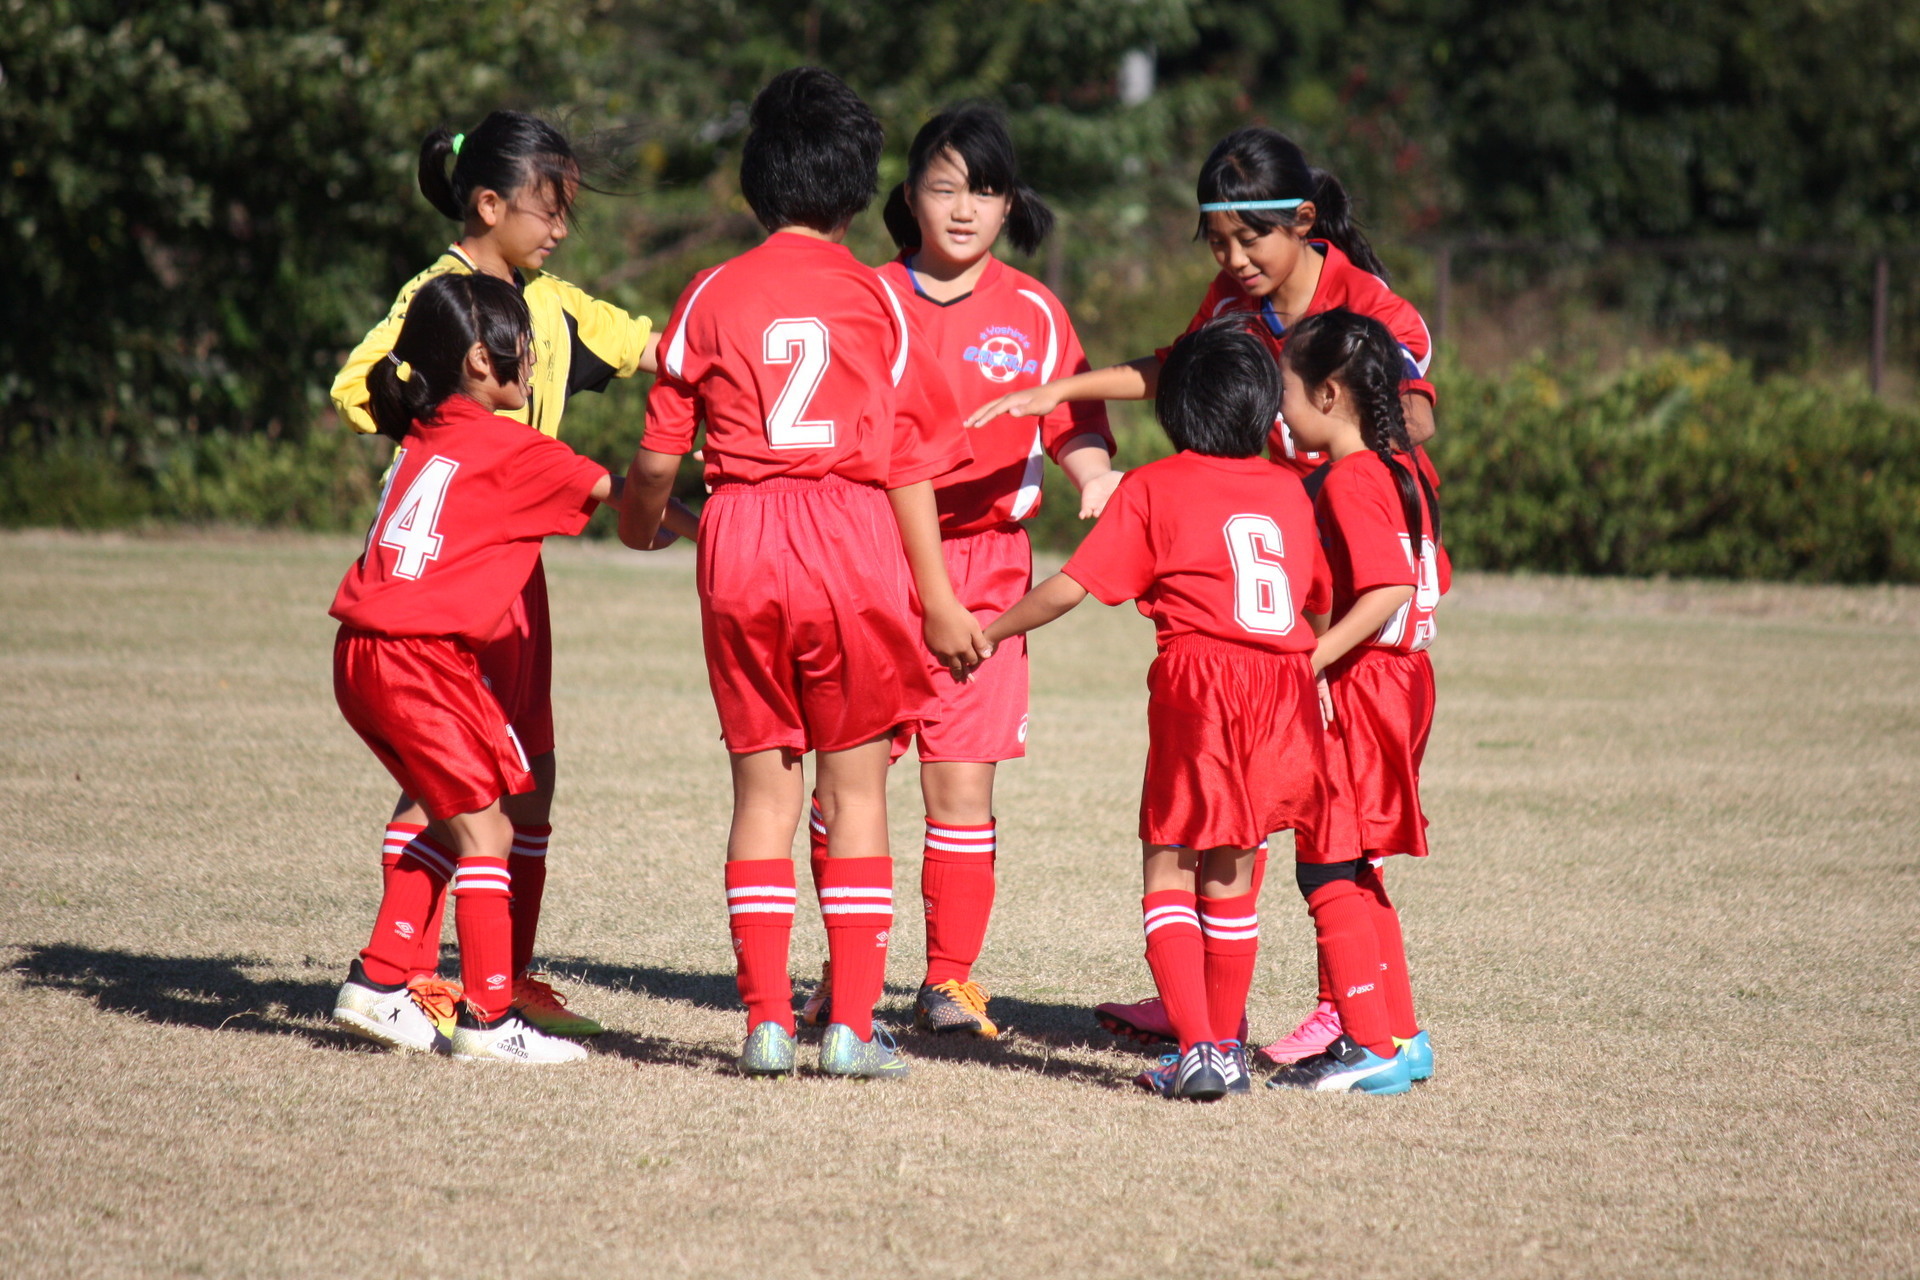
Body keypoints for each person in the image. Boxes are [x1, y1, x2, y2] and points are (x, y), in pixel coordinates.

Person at [971, 125, 1439, 1052]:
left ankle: (1345, 1011)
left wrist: (1329, 467)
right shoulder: (1236, 296)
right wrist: (1056, 389)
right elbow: (1176, 368)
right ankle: (1207, 1006)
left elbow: (1413, 416)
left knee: (1329, 825)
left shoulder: (1373, 309)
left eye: (1248, 241)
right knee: (1248, 805)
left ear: (1303, 223)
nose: (1231, 261)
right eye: (1217, 243)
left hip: (1344, 594)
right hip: (1275, 582)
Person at [617, 68, 985, 1080]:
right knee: (855, 791)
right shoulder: (881, 296)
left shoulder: (709, 293)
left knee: (761, 795)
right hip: (852, 538)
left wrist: (649, 524)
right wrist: (941, 597)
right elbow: (908, 459)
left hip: (739, 534)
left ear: (753, 183)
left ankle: (767, 1022)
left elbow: (655, 462)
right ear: (865, 189)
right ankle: (853, 1027)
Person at [330, 110, 695, 1041]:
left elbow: (658, 347)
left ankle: (502, 972)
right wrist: (454, 451)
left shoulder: (555, 300)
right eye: (549, 208)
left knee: (523, 774)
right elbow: (356, 382)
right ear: (489, 204)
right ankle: (430, 981)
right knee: (454, 787)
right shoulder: (437, 295)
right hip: (453, 575)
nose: (561, 227)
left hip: (512, 573)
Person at [792, 104, 1120, 1040]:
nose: (965, 208)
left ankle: (949, 982)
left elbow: (1073, 422)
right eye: (944, 187)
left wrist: (1094, 476)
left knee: (962, 787)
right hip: (875, 559)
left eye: (984, 189)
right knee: (845, 785)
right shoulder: (870, 297)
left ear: (1009, 203)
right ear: (908, 198)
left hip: (989, 572)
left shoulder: (1035, 310)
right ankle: (841, 972)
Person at [981, 319, 1331, 1100]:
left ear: (1176, 410)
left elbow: (1072, 586)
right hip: (1284, 686)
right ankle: (1229, 1051)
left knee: (1169, 862)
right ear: (1266, 409)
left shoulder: (1154, 485)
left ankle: (1200, 1048)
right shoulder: (1288, 489)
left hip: (1203, 684)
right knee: (1234, 873)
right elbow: (1313, 600)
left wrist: (992, 630)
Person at [329, 271, 625, 1064]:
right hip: (421, 660)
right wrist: (712, 518)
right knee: (489, 828)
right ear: (478, 359)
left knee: (447, 814)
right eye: (521, 346)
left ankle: (380, 977)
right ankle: (491, 1023)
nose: (531, 359)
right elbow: (621, 499)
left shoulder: (424, 434)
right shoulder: (511, 446)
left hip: (361, 652)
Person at [1265, 307, 1447, 1094]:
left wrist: (1312, 659)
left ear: (1330, 395)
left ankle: (1367, 1045)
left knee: (1328, 863)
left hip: (1368, 682)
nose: (1281, 410)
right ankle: (1400, 1037)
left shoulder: (1349, 478)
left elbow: (1385, 588)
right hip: (1403, 680)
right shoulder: (1402, 464)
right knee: (1359, 863)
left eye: (1287, 392)